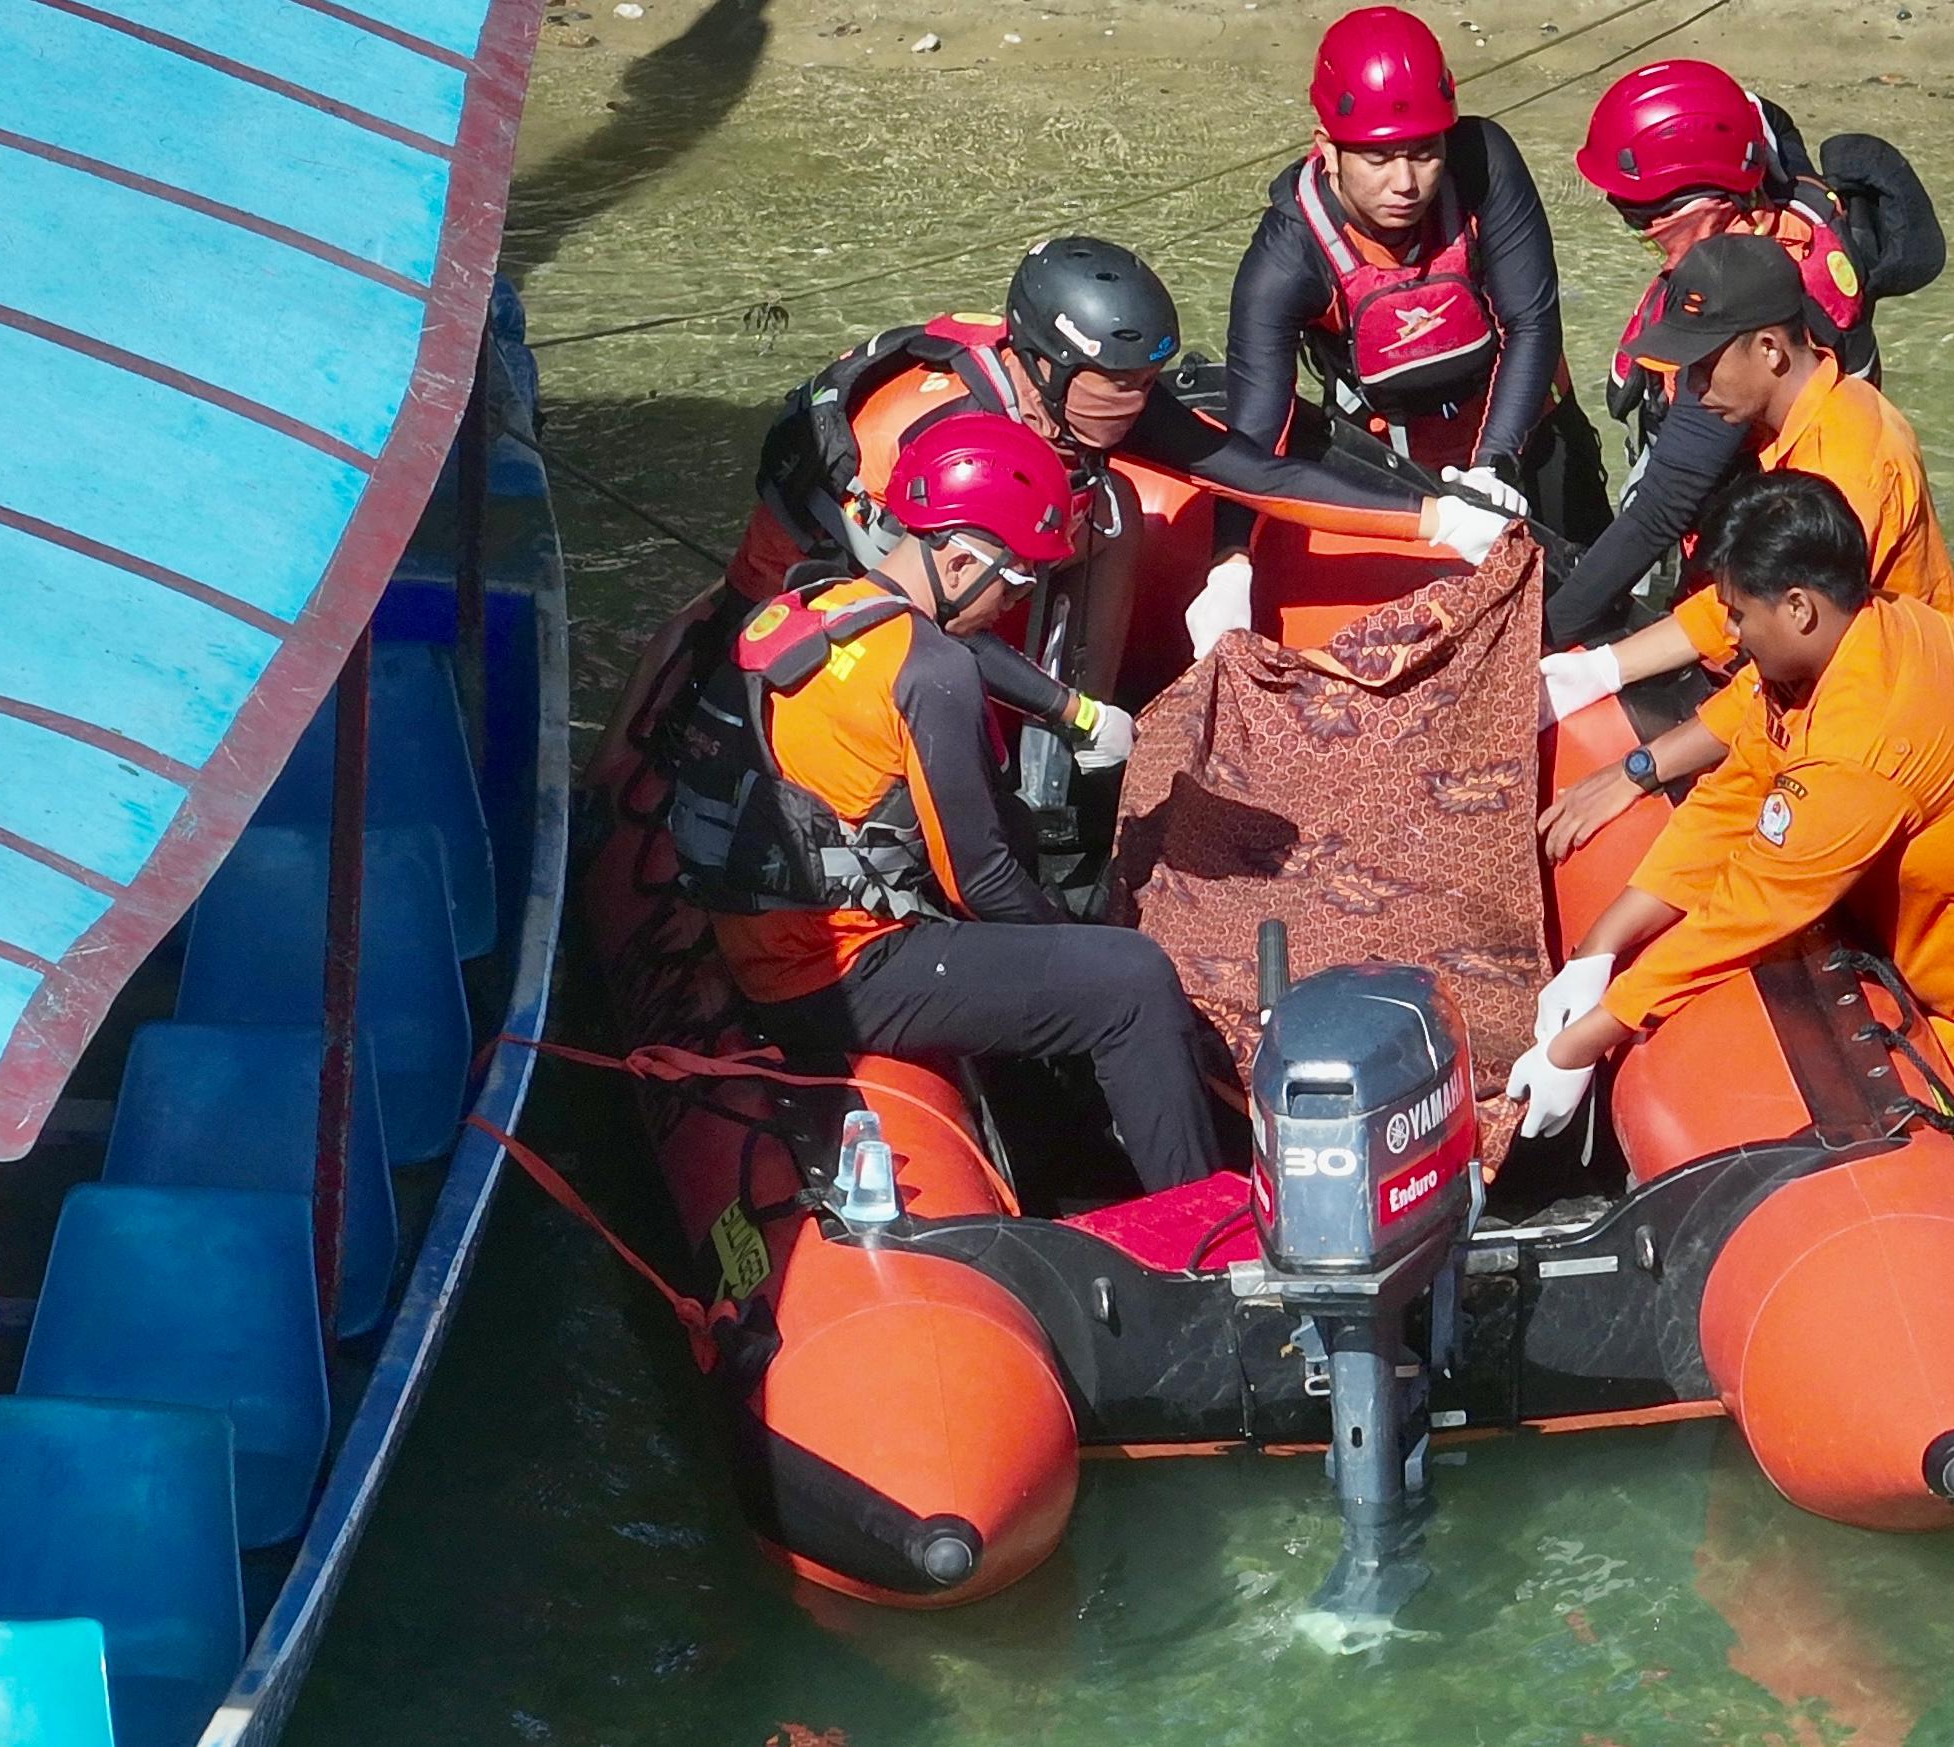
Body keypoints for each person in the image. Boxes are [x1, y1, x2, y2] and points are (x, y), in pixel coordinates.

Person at [1505, 469, 1954, 1197]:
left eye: (1740, 616)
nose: (1735, 639)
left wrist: (1582, 1040)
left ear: (1801, 608)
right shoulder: (1874, 627)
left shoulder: (1863, 741)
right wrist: (1601, 946)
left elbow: (1751, 909)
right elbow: (1735, 793)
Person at [673, 413, 1231, 1192]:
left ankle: (1044, 1112)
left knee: (1025, 848)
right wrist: (1067, 950)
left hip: (768, 938)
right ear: (964, 558)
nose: (1012, 604)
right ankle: (1202, 1217)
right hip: (832, 973)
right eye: (1018, 580)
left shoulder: (819, 605)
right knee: (1129, 979)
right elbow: (981, 881)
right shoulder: (931, 671)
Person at [734, 235, 1512, 693]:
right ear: (1048, 366)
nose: (1136, 404)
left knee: (1110, 511)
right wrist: (1057, 714)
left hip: (956, 558)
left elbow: (1248, 471)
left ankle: (1075, 763)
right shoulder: (946, 435)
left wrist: (1437, 519)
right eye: (1120, 384)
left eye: (1146, 384)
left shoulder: (1086, 393)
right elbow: (910, 609)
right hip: (831, 562)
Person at [1538, 233, 1954, 860]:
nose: (1691, 389)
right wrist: (1597, 670)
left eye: (1703, 366)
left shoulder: (1847, 465)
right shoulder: (1805, 425)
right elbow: (1737, 606)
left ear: (1769, 350)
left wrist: (1637, 769)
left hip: (1907, 715)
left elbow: (1777, 648)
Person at [1544, 59, 1945, 648]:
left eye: (1641, 216)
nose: (1634, 230)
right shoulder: (1784, 211)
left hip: (1789, 592)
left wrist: (1547, 637)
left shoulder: (1749, 323)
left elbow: (1663, 507)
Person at [1216, 3, 1610, 580]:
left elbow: (1532, 322)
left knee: (1586, 592)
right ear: (1327, 148)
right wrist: (1229, 563)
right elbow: (1253, 431)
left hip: (1527, 430)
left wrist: (1494, 466)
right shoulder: (1288, 256)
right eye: (1377, 157)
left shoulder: (1482, 164)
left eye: (1425, 152)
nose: (1405, 183)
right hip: (1395, 459)